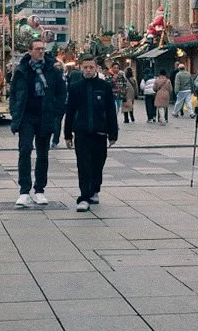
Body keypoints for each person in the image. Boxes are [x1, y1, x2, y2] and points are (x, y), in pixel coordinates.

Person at [8, 38, 65, 207]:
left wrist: (57, 113)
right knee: (25, 150)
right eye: (38, 49)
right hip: (26, 116)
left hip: (45, 115)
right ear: (30, 51)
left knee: (43, 154)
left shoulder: (53, 69)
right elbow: (14, 93)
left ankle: (39, 190)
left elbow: (61, 92)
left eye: (43, 49)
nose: (41, 51)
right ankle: (24, 191)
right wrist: (14, 112)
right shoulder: (22, 70)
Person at [64, 54, 118, 211]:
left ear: (96, 68)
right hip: (81, 132)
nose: (88, 70)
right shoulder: (75, 87)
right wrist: (68, 134)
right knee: (83, 164)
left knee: (98, 163)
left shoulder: (104, 86)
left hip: (99, 132)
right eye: (85, 67)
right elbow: (70, 112)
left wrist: (113, 133)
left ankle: (95, 188)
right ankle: (84, 196)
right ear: (81, 68)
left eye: (91, 67)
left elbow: (110, 111)